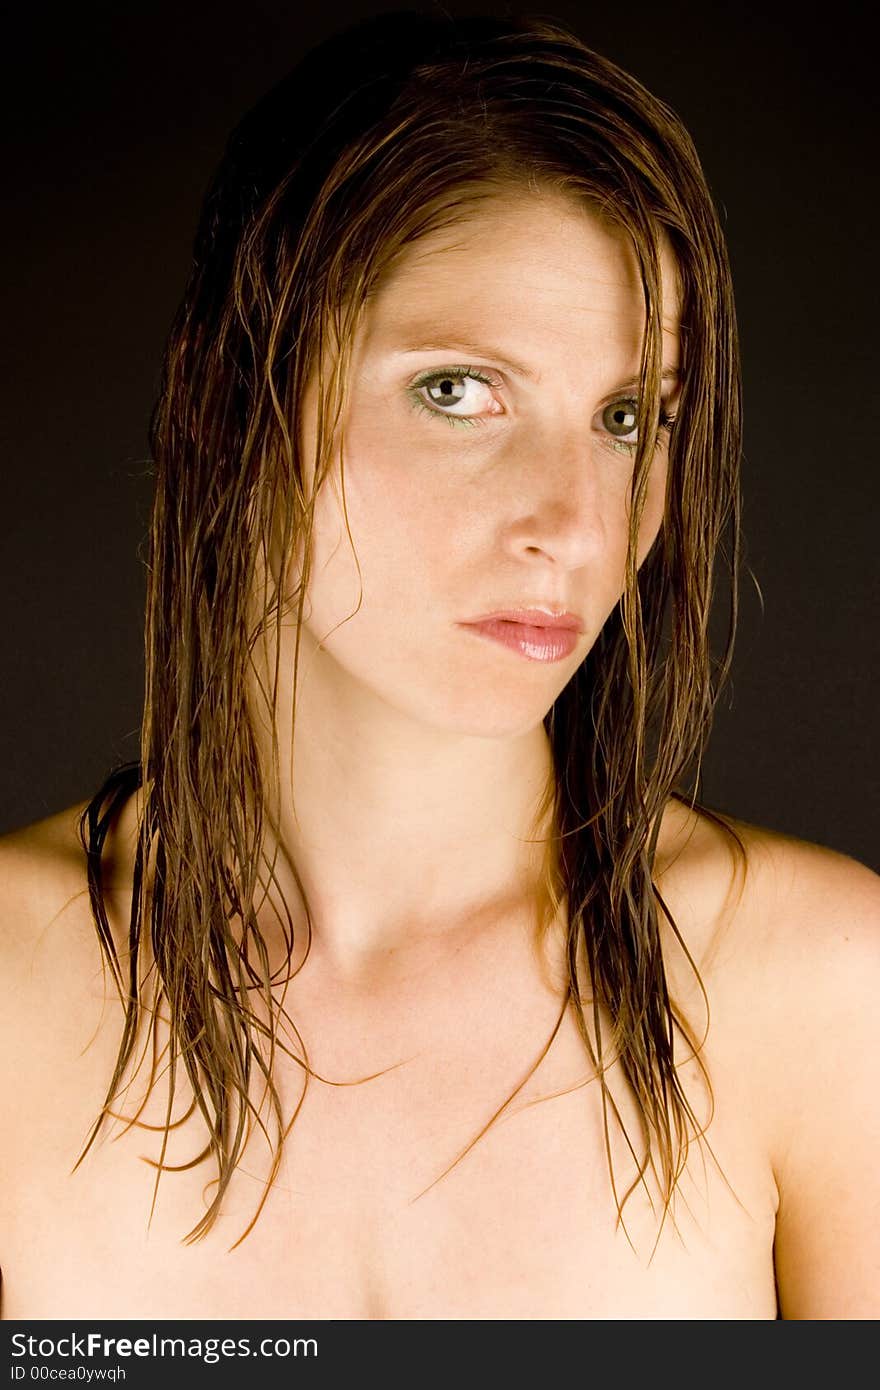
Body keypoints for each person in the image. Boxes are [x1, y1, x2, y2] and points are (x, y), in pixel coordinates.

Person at [1, 9, 877, 1322]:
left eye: (629, 415)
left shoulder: (819, 992)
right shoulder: (14, 984)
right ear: (231, 400)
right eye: (460, 391)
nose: (577, 522)